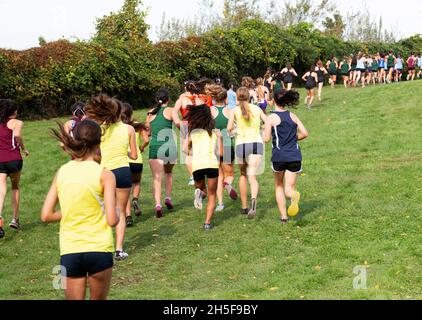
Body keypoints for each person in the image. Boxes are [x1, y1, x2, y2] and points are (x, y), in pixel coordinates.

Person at [41, 120, 119, 300]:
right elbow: (111, 220)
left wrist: (71, 211)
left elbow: (46, 215)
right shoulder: (105, 174)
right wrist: (118, 211)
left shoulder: (62, 171)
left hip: (70, 250)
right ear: (99, 143)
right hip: (99, 249)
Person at [84, 94, 137, 261]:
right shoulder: (129, 129)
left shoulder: (100, 130)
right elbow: (134, 156)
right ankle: (119, 249)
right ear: (121, 112)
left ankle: (101, 246)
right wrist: (125, 152)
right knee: (120, 211)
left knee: (104, 210)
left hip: (104, 172)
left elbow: (96, 154)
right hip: (122, 171)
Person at [263, 89, 308, 223]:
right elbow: (305, 133)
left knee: (278, 186)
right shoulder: (293, 116)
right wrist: (294, 138)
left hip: (279, 156)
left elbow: (266, 139)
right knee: (289, 188)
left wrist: (262, 132)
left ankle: (284, 217)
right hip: (294, 156)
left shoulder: (271, 118)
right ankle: (293, 195)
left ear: (273, 101)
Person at [227, 87, 267, 219]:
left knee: (243, 175)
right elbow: (267, 123)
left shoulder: (234, 111)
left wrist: (235, 131)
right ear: (249, 96)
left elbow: (229, 129)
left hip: (241, 145)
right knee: (252, 176)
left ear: (237, 98)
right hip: (256, 143)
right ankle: (253, 201)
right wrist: (260, 127)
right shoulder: (257, 108)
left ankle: (244, 207)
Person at [184, 105, 219, 230]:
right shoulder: (215, 133)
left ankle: (200, 194)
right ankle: (207, 223)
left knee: (201, 188)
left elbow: (184, 149)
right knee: (212, 194)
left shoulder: (193, 133)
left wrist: (194, 152)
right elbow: (220, 153)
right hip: (212, 164)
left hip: (197, 165)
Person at [0, 99, 29, 238]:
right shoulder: (17, 122)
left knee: (1, 189)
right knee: (15, 187)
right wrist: (24, 148)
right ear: (13, 111)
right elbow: (17, 135)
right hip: (14, 159)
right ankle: (15, 219)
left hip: (0, 160)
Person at [147, 89, 177, 218]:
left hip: (155, 147)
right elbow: (178, 123)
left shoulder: (150, 113)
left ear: (156, 100)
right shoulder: (171, 111)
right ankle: (168, 198)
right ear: (168, 100)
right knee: (168, 173)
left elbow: (147, 132)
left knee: (157, 178)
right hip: (169, 147)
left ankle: (158, 205)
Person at [207, 84, 238, 212]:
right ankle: (228, 184)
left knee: (218, 175)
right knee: (229, 174)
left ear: (214, 98)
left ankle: (220, 203)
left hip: (213, 146)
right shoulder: (231, 111)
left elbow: (205, 128)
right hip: (227, 145)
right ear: (226, 99)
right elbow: (235, 129)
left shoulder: (209, 111)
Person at [120, 103, 149, 226]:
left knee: (126, 188)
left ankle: (128, 216)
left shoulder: (118, 127)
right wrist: (141, 147)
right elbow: (147, 140)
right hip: (137, 160)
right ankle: (135, 199)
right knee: (136, 183)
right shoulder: (137, 125)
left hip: (125, 160)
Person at [173, 81, 198, 186]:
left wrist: (178, 123)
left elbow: (174, 112)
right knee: (198, 150)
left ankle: (192, 176)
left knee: (187, 152)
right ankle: (199, 174)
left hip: (185, 125)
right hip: (198, 125)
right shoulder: (199, 99)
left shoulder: (182, 100)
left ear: (185, 88)